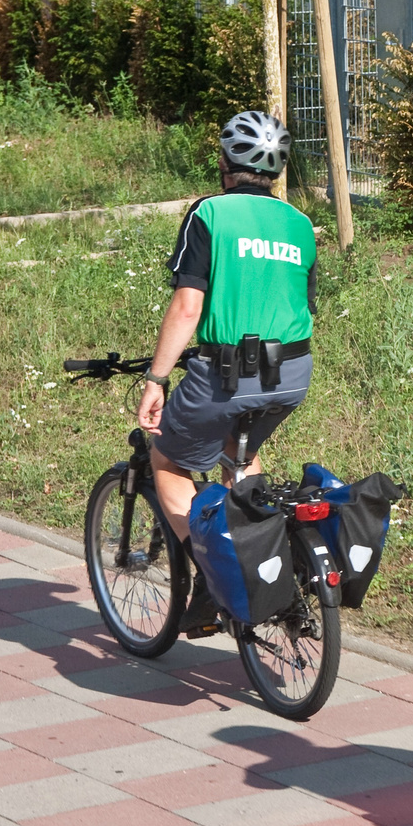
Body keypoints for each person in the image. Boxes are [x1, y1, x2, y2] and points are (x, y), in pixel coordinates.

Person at [137, 111, 318, 622]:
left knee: (169, 460)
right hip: (292, 375)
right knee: (238, 451)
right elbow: (300, 305)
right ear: (277, 171)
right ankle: (270, 575)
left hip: (227, 374)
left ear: (223, 162)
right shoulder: (300, 223)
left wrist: (156, 379)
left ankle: (214, 575)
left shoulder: (209, 213)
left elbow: (188, 307)